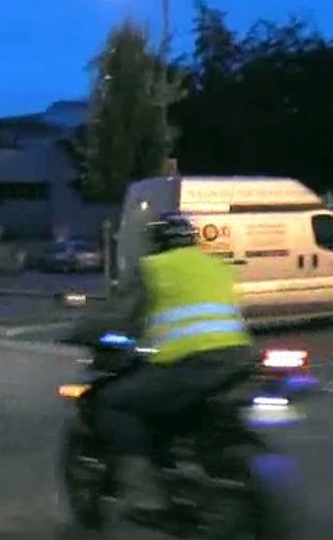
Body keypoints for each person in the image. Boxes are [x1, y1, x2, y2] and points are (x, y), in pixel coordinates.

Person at [92, 212, 257, 514]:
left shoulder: (153, 268)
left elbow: (119, 316)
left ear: (158, 242)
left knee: (112, 402)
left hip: (189, 366)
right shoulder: (216, 266)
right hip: (238, 360)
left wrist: (84, 333)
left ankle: (142, 489)